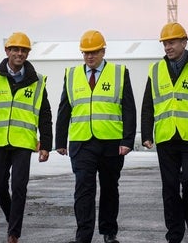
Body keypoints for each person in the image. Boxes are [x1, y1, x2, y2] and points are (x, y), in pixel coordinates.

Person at [140, 22, 188, 243]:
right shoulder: (155, 71)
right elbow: (148, 105)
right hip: (165, 137)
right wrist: (147, 133)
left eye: (172, 42)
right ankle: (174, 233)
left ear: (184, 42)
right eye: (165, 43)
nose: (167, 47)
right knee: (170, 187)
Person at [55, 30, 136, 243]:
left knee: (110, 189)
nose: (90, 57)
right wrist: (60, 141)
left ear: (103, 51)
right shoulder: (72, 75)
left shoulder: (119, 72)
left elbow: (129, 108)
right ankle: (83, 237)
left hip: (111, 143)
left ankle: (109, 233)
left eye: (94, 52)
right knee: (83, 189)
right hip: (82, 143)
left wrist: (128, 141)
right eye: (86, 53)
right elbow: (64, 108)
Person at [0, 32, 53, 243]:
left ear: (28, 53)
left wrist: (46, 145)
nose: (19, 53)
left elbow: (45, 116)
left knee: (19, 186)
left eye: (24, 50)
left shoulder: (37, 82)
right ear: (7, 51)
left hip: (23, 143)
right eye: (15, 49)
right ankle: (12, 220)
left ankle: (13, 233)